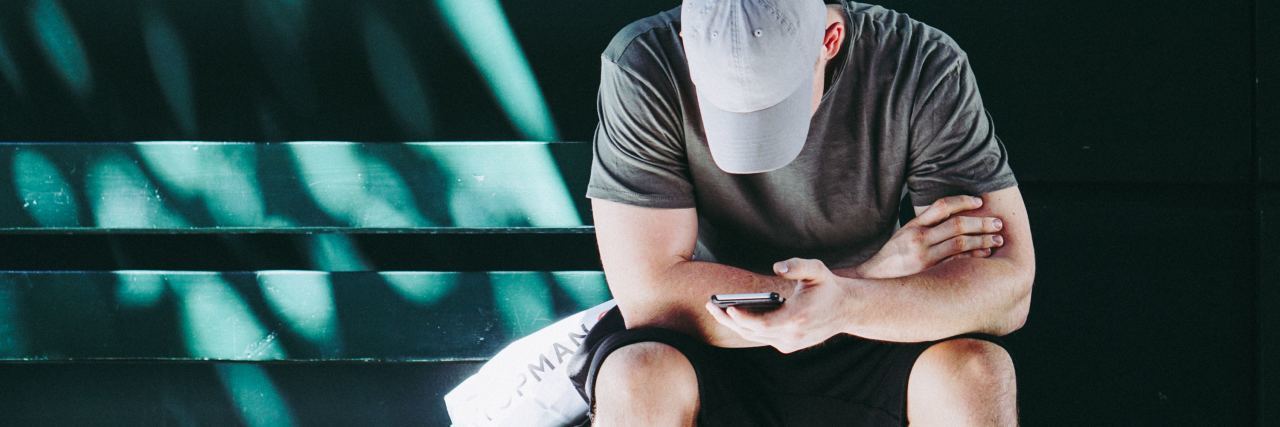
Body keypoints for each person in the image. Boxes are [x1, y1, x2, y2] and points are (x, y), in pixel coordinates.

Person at [575, 0, 1035, 425]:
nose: (750, 129)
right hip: (713, 336)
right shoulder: (642, 62)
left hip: (880, 324)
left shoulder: (919, 61)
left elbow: (1006, 290)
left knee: (975, 372)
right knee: (637, 375)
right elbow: (651, 296)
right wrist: (863, 277)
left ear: (829, 39)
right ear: (686, 41)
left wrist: (849, 304)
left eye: (774, 105)